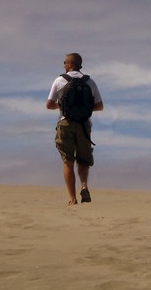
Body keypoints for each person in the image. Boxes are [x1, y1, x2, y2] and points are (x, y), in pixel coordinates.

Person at [46, 52, 104, 205]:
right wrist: (83, 107)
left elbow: (49, 104)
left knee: (68, 162)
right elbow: (99, 106)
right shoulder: (89, 81)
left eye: (65, 62)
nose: (64, 65)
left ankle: (72, 199)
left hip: (65, 123)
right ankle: (84, 185)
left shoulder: (59, 80)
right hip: (84, 125)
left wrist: (63, 105)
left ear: (71, 64)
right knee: (83, 160)